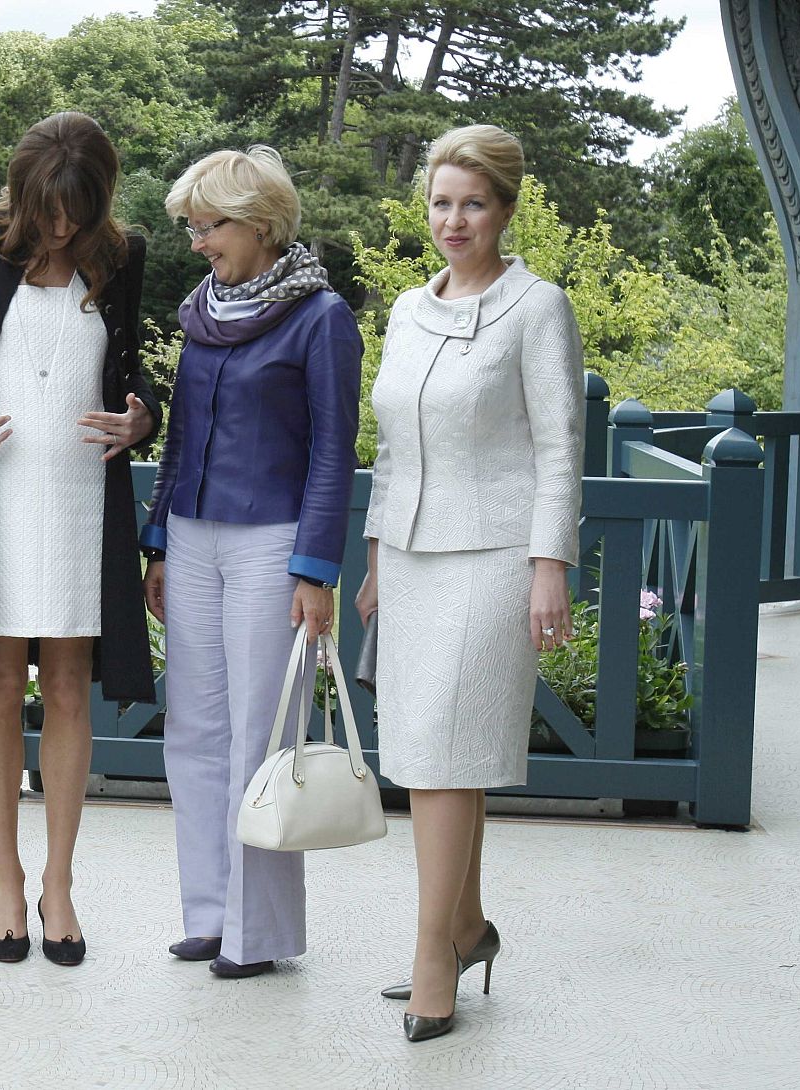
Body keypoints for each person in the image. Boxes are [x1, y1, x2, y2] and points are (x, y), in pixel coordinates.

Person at [0, 112, 160, 966]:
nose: (58, 227)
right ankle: (6, 881)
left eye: (74, 212)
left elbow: (134, 372)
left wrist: (140, 418)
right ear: (21, 194)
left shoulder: (122, 255)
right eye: (46, 209)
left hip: (83, 495)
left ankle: (60, 884)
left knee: (68, 688)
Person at [356, 123, 584, 1041]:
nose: (455, 220)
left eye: (473, 203)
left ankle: (431, 960)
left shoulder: (540, 307)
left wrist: (548, 568)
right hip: (407, 556)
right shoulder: (409, 307)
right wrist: (374, 554)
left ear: (506, 208)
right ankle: (468, 929)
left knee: (447, 754)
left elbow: (562, 450)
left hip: (495, 556)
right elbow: (390, 445)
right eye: (443, 203)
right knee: (428, 753)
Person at [141, 146, 363, 979]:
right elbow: (180, 439)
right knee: (194, 732)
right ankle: (206, 913)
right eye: (192, 227)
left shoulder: (323, 318)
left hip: (274, 542)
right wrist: (157, 541)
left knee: (261, 743)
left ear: (261, 224)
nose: (197, 242)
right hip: (193, 537)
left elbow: (334, 452)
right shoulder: (203, 309)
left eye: (210, 226)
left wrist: (315, 568)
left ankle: (256, 933)